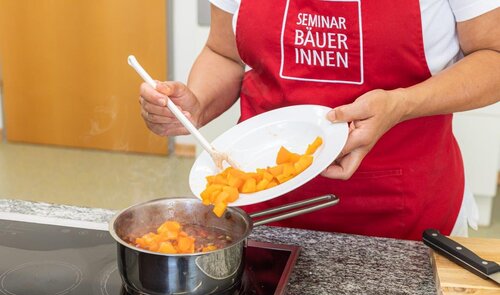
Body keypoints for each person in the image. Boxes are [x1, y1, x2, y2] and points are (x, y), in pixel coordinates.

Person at [139, 0, 500, 241]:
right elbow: (224, 52)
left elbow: (493, 55)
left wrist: (402, 104)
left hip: (403, 216)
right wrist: (197, 105)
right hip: (262, 211)